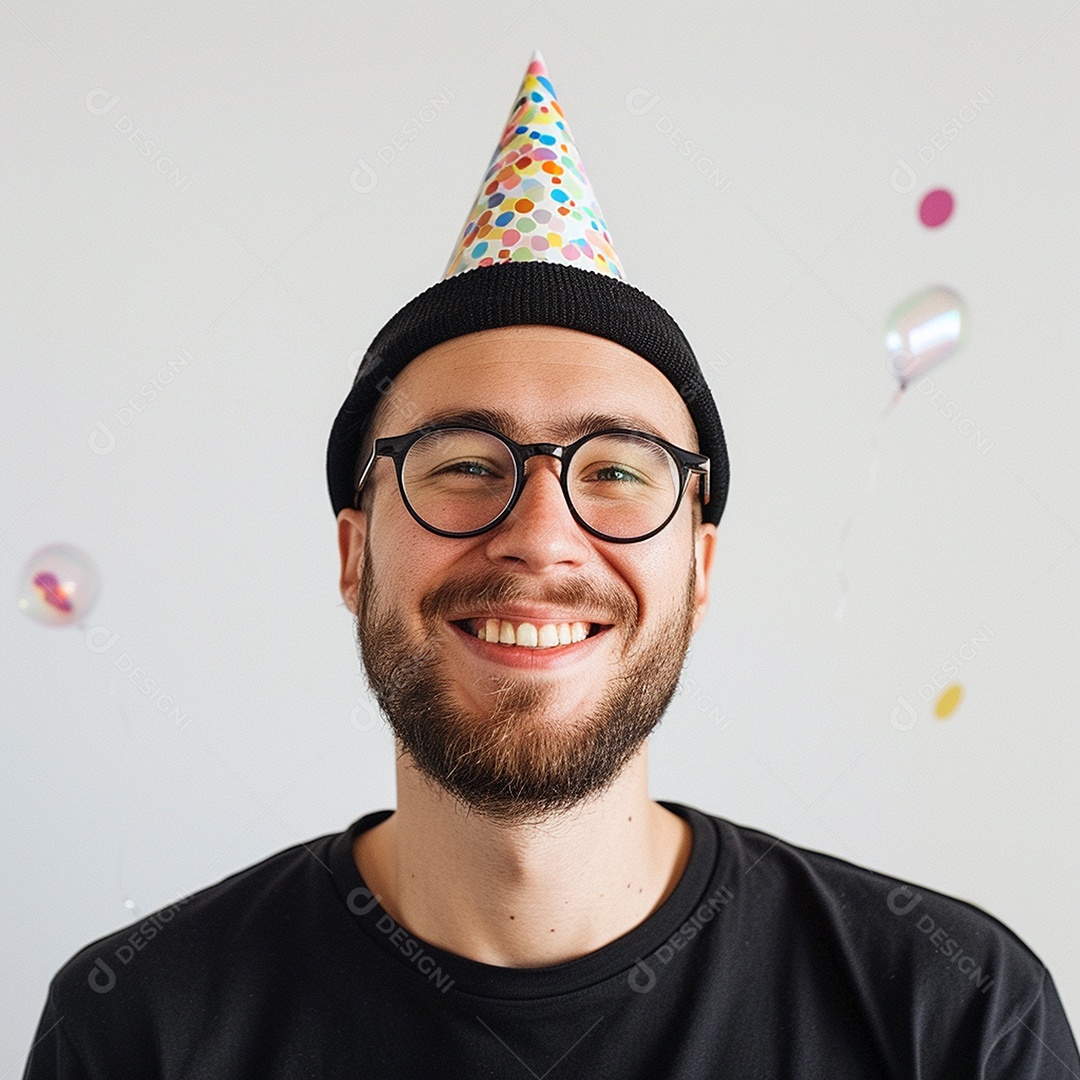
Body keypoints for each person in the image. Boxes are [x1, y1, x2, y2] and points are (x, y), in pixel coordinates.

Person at [24, 52, 1079, 1080]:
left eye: (618, 470)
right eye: (466, 464)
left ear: (701, 568)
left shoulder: (953, 1018)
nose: (538, 534)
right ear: (355, 551)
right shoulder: (138, 1028)